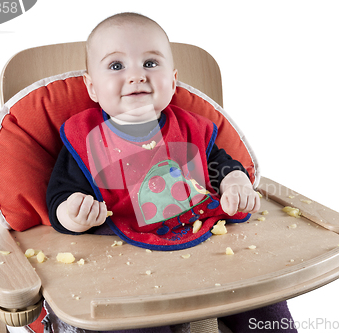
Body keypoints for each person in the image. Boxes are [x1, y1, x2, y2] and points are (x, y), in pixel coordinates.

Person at [45, 12, 297, 333]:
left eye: (150, 63)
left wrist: (235, 182)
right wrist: (72, 213)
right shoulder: (87, 140)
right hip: (129, 267)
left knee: (264, 296)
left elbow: (220, 165)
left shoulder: (191, 129)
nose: (136, 76)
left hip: (205, 242)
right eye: (116, 66)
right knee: (133, 321)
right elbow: (59, 193)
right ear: (92, 87)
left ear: (173, 80)